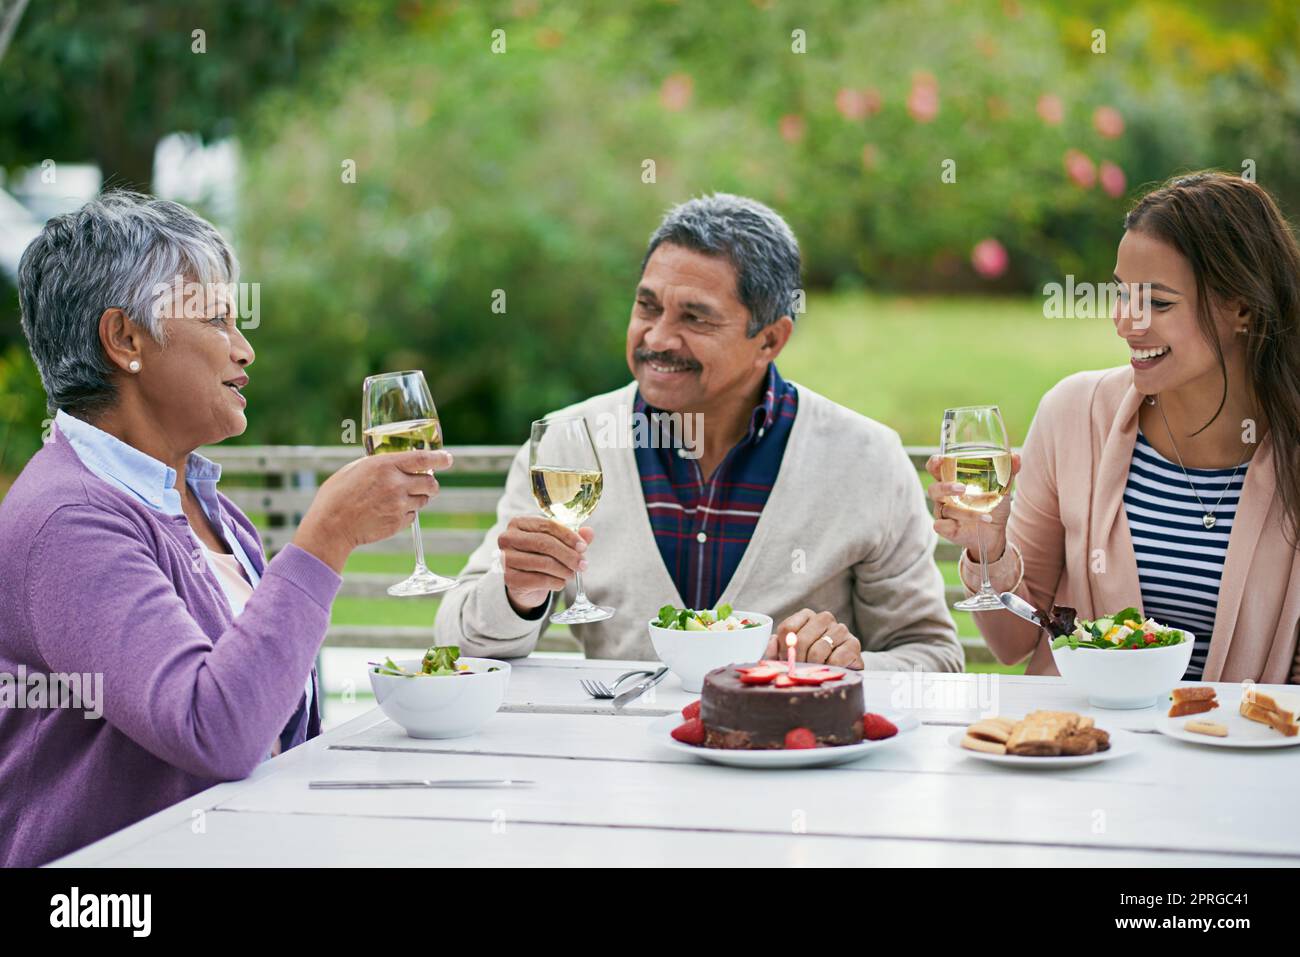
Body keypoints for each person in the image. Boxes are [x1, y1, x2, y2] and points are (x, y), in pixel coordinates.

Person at [0, 192, 452, 866]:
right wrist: (324, 537)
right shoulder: (68, 521)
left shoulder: (207, 507)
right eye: (217, 319)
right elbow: (214, 728)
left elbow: (275, 718)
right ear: (125, 338)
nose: (245, 349)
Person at [435, 193, 961, 671]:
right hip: (616, 765)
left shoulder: (866, 459)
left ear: (770, 340)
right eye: (647, 306)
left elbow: (932, 655)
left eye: (696, 318)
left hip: (787, 760)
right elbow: (459, 646)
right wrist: (516, 593)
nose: (658, 337)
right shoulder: (567, 448)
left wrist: (851, 667)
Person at [929, 172, 1300, 681]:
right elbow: (1013, 643)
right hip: (1083, 747)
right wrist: (985, 550)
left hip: (1233, 751)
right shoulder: (1074, 414)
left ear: (1241, 309)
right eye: (1122, 292)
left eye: (1159, 302)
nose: (1126, 321)